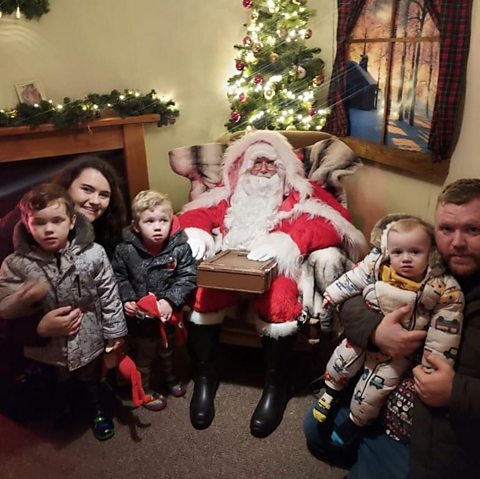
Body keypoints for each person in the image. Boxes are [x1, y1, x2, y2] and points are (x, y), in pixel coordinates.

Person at [177, 129, 367, 437]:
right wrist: (197, 233)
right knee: (204, 295)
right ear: (242, 167)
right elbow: (195, 214)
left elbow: (331, 222)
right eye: (257, 163)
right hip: (228, 266)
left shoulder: (301, 195)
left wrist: (286, 242)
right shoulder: (227, 195)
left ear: (284, 169)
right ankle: (204, 376)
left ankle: (275, 385)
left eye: (270, 163)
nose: (264, 170)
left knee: (279, 301)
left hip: (277, 270)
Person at [304, 178, 480, 478]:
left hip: (430, 432)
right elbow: (355, 291)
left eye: (473, 230)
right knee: (315, 429)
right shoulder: (422, 254)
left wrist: (456, 392)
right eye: (447, 229)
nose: (458, 242)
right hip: (373, 386)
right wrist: (376, 332)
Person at [311, 214, 463, 447]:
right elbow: (354, 278)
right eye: (398, 253)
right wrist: (332, 293)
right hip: (365, 336)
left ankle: (354, 423)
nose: (406, 259)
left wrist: (433, 364)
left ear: (431, 253)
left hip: (398, 353)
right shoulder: (378, 266)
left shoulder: (440, 287)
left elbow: (444, 333)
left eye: (415, 252)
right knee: (341, 358)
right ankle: (331, 391)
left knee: (374, 389)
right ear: (387, 251)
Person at [0, 155, 127, 419]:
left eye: (104, 194)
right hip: (38, 344)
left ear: (70, 221)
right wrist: (36, 328)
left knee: (91, 384)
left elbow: (109, 291)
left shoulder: (96, 245)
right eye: (87, 189)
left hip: (88, 340)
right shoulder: (15, 246)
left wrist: (116, 334)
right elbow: (5, 303)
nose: (95, 200)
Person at [111, 190, 196, 411]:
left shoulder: (180, 248)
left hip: (168, 316)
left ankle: (171, 379)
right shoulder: (125, 250)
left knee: (169, 350)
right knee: (144, 356)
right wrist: (127, 298)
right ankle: (145, 389)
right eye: (149, 221)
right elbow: (118, 277)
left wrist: (170, 300)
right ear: (136, 226)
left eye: (163, 220)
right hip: (141, 319)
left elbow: (187, 277)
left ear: (171, 221)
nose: (157, 227)